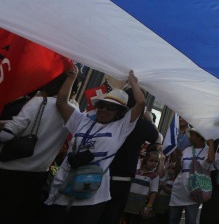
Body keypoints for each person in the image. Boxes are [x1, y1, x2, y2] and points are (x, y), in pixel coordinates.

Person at [45, 68, 145, 224]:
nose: (104, 110)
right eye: (102, 105)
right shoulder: (81, 120)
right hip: (62, 188)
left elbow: (141, 103)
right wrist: (72, 78)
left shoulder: (120, 128)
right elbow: (61, 101)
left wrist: (133, 82)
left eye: (110, 108)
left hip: (92, 196)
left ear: (119, 113)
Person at [0, 72, 77, 224]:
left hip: (9, 171)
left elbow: (7, 135)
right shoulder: (72, 113)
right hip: (39, 174)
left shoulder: (38, 102)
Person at [98, 87, 160, 224]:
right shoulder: (142, 125)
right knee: (112, 214)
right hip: (122, 179)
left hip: (101, 173)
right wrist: (148, 119)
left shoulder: (111, 119)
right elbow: (156, 138)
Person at [169, 127, 215, 224]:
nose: (189, 137)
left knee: (190, 220)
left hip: (194, 192)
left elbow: (210, 160)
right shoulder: (186, 150)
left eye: (192, 135)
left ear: (199, 137)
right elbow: (179, 170)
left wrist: (211, 144)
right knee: (173, 219)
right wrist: (178, 159)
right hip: (179, 190)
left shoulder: (208, 151)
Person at [123, 151, 160, 224]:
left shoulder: (154, 176)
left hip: (139, 208)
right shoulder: (135, 172)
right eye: (151, 160)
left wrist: (148, 207)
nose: (154, 163)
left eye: (156, 161)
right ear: (145, 160)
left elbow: (154, 192)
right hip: (127, 205)